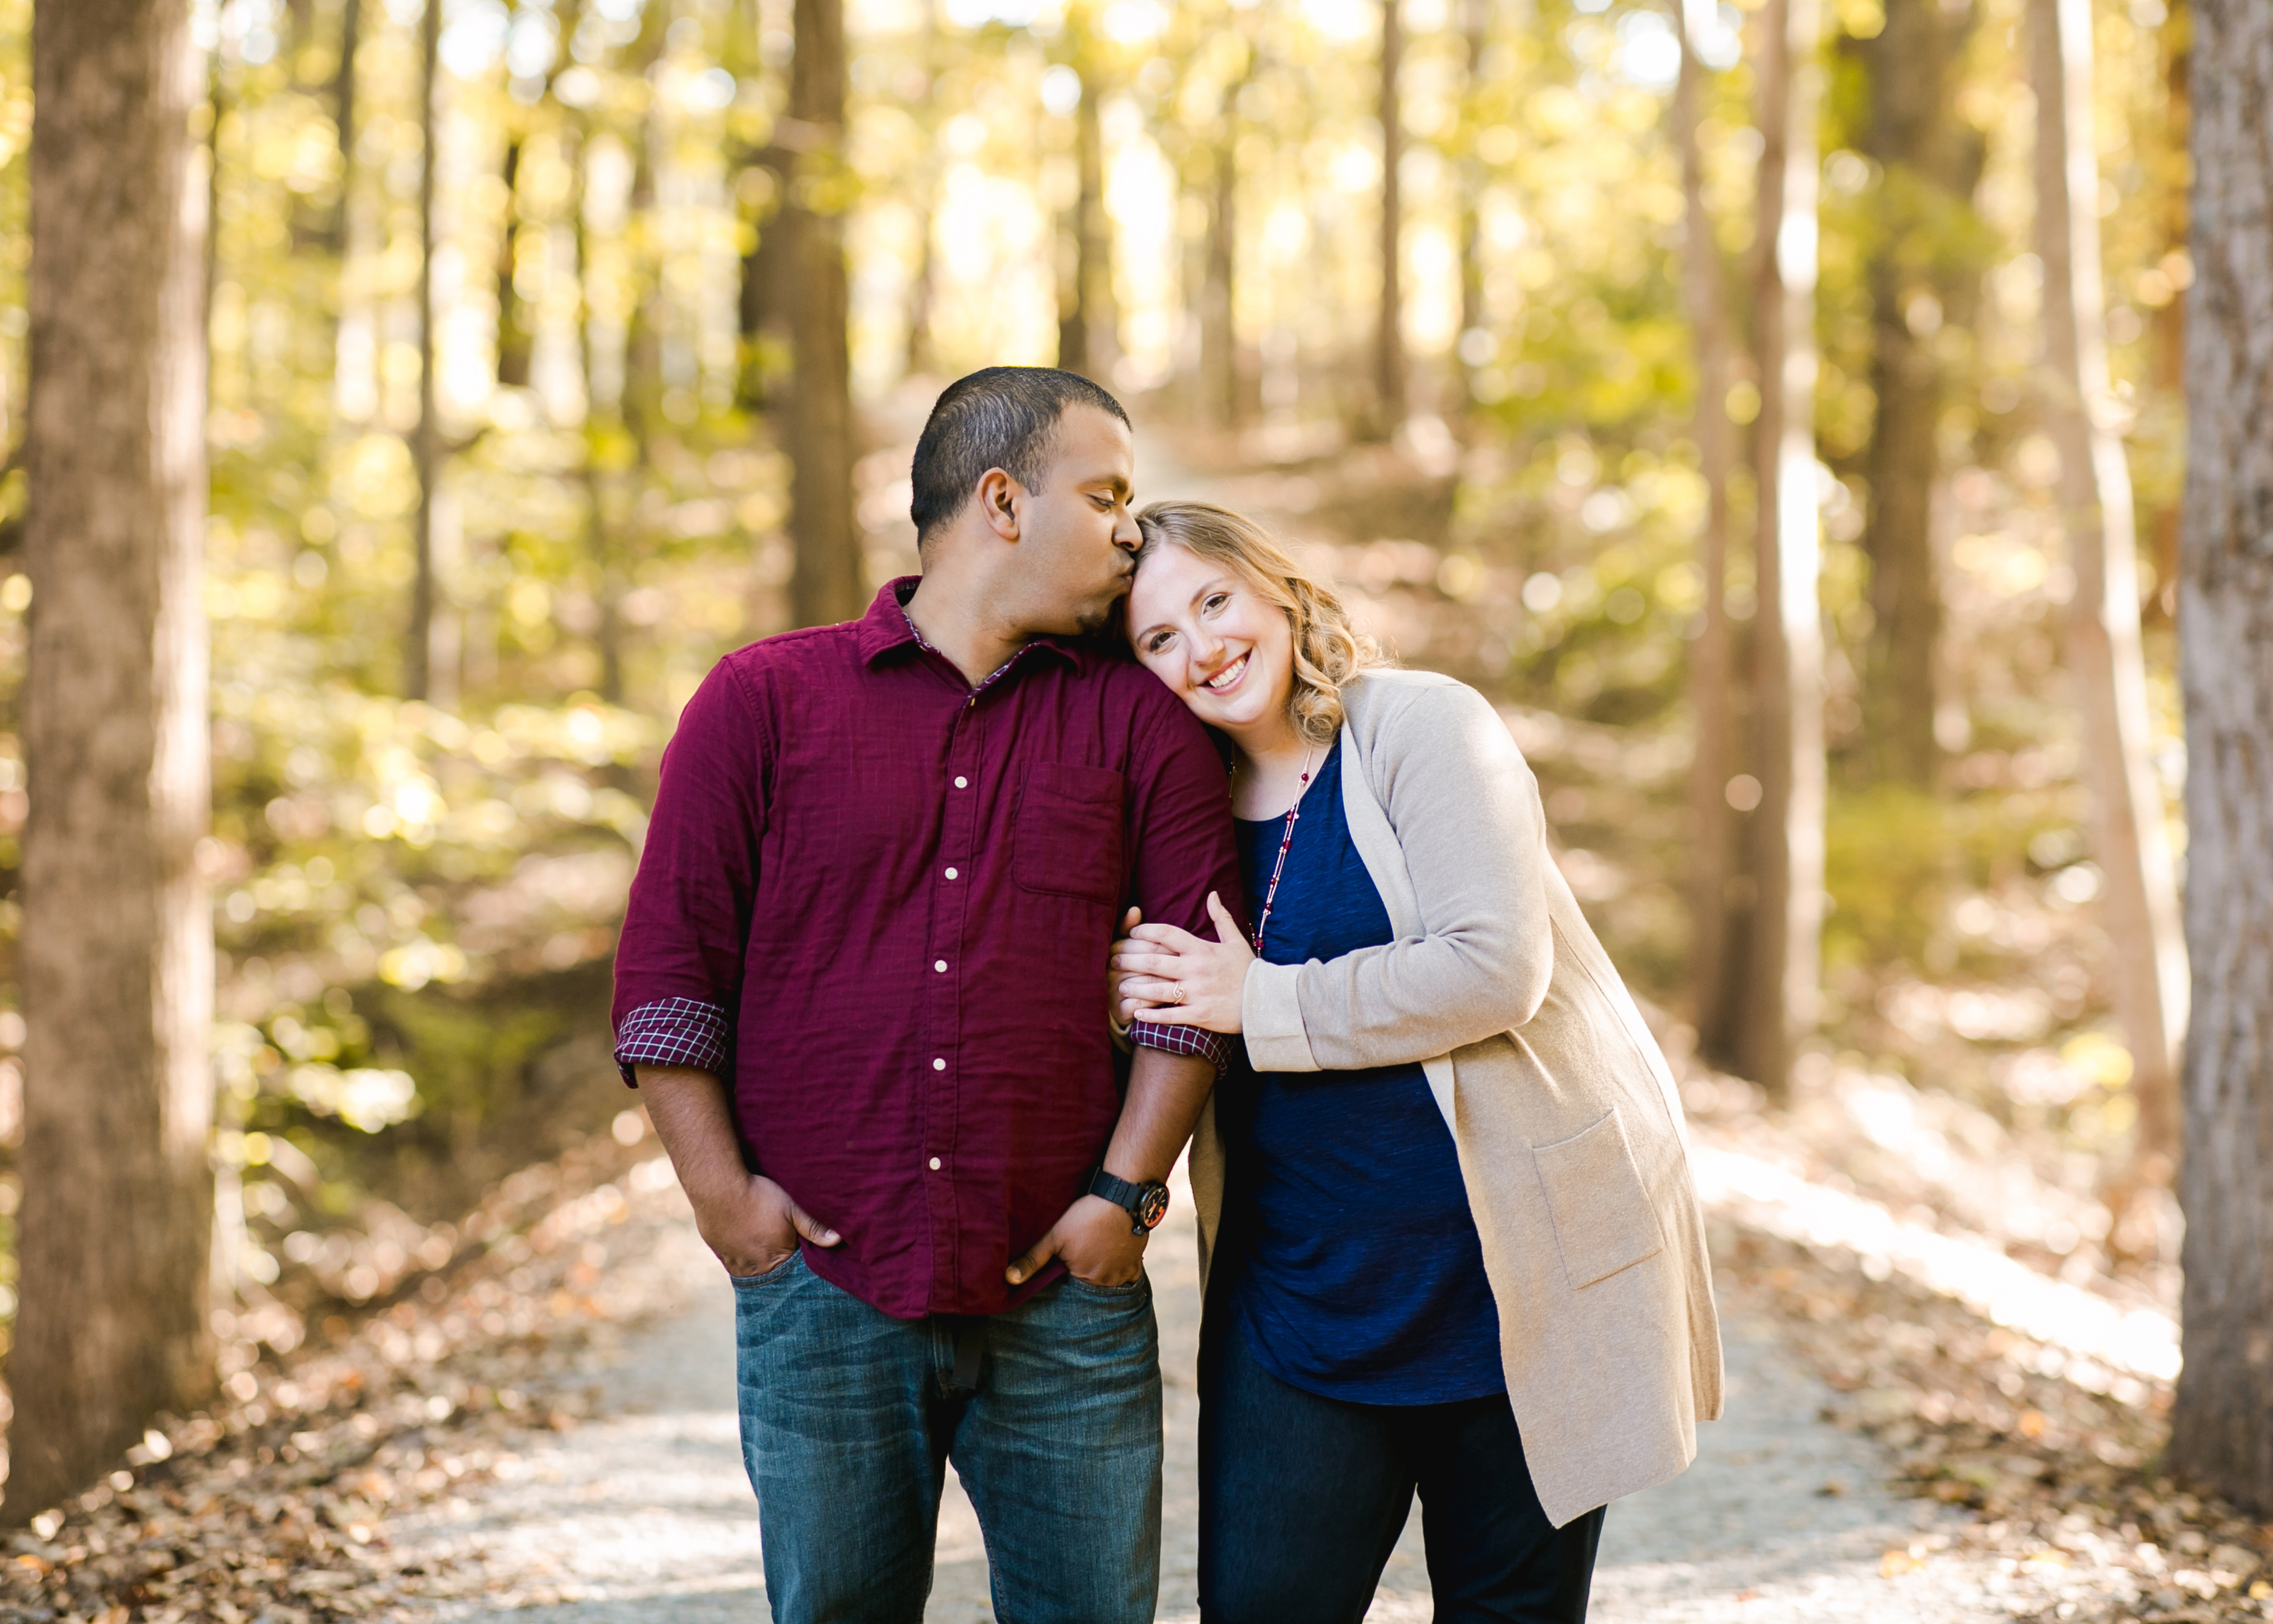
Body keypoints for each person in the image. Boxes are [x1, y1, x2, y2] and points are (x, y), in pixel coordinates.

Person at [611, 370, 1242, 1624]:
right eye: (1105, 496)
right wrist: (729, 1208)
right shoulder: (762, 700)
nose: (1131, 532)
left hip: (1065, 1302)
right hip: (823, 1294)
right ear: (1002, 501)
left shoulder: (1142, 721)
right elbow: (670, 978)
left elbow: (1193, 983)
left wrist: (1124, 1197)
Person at [1112, 500, 1723, 1624]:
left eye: (1214, 600)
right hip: (1296, 1294)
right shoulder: (1172, 807)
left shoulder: (1419, 725)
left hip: (1506, 1285)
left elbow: (1493, 967)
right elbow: (1156, 1009)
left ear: (1274, 587)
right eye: (1158, 638)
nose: (1202, 647)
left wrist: (1259, 1000)